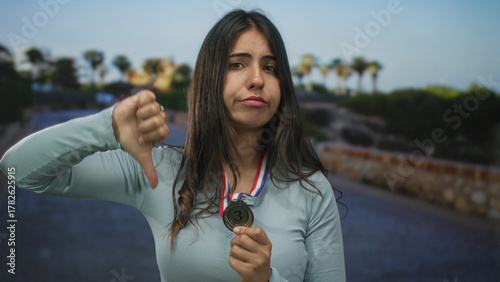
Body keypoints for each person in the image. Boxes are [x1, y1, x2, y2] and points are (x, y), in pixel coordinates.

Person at [0, 9, 345, 282]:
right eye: (237, 64)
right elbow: (20, 168)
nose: (257, 79)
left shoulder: (312, 191)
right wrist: (106, 128)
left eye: (270, 67)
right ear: (210, 79)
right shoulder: (160, 171)